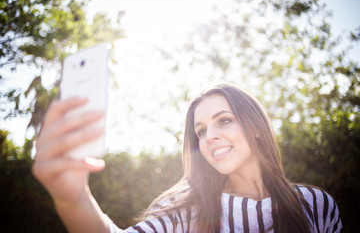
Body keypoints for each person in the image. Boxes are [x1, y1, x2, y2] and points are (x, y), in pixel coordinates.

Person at [32, 84, 342, 233]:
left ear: (257, 128)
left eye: (224, 121)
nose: (210, 137)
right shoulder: (186, 213)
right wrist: (73, 200)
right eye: (201, 130)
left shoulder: (315, 204)